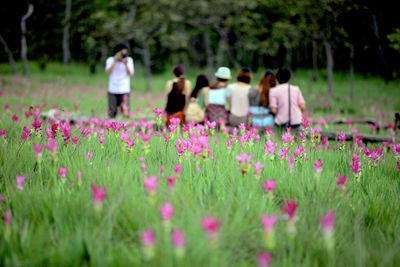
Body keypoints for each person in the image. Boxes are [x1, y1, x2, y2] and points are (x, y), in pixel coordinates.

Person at [105, 43, 134, 118]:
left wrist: (125, 64)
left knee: (125, 113)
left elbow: (130, 73)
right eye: (121, 53)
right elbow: (108, 71)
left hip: (124, 90)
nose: (123, 55)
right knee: (111, 113)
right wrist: (115, 61)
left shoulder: (129, 60)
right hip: (113, 90)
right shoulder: (110, 60)